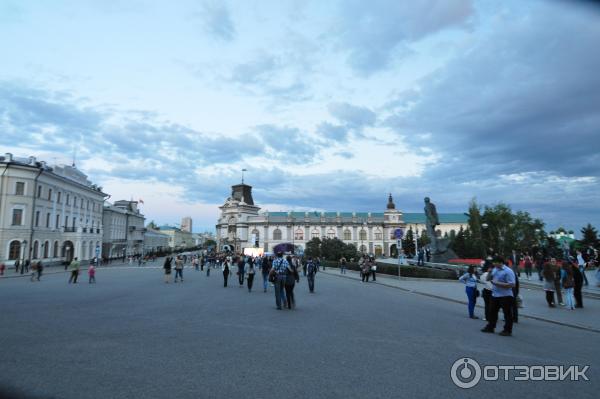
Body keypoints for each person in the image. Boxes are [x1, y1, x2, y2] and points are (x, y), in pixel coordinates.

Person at [481, 256, 516, 336]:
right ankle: (490, 327)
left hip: (506, 296)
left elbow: (512, 284)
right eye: (493, 262)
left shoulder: (508, 271)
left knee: (507, 314)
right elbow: (488, 279)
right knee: (492, 312)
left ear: (501, 262)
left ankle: (507, 330)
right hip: (495, 295)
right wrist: (489, 272)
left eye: (495, 262)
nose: (494, 264)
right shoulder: (495, 269)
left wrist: (498, 283)